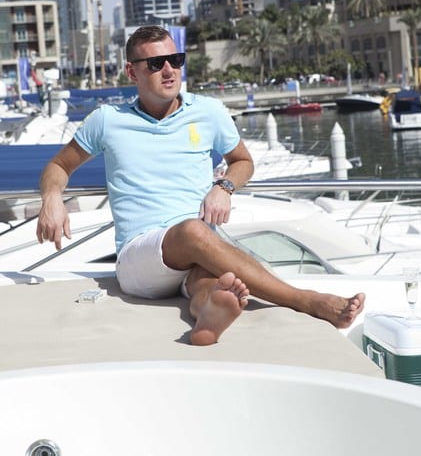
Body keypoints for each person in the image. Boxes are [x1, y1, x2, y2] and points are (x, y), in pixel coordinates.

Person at [36, 25, 365, 346]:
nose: (169, 70)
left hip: (197, 255)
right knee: (192, 231)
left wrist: (224, 187)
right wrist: (52, 198)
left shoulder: (208, 111)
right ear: (131, 72)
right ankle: (304, 300)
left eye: (176, 60)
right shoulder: (108, 119)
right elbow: (59, 166)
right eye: (156, 63)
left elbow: (243, 161)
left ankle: (208, 316)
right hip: (139, 259)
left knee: (216, 284)